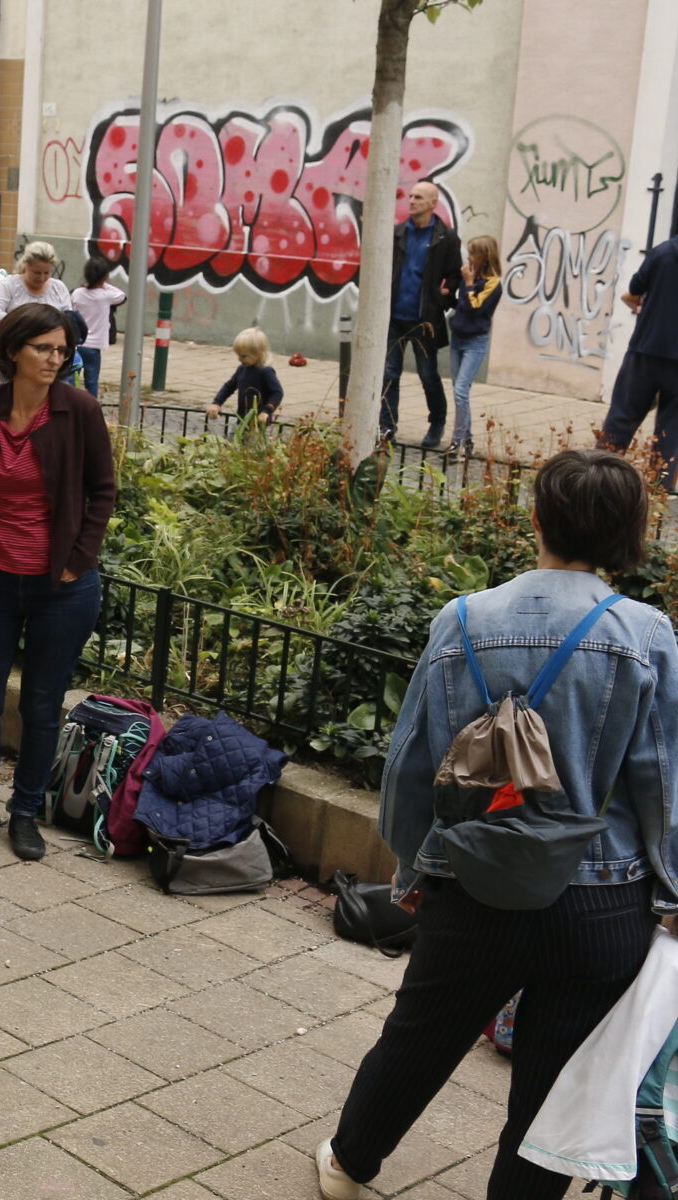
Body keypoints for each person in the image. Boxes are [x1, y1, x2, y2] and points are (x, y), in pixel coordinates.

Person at [319, 447, 677, 1200]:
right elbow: (663, 784)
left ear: (538, 518)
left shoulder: (465, 620)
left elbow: (413, 765)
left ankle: (349, 1165)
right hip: (604, 902)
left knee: (418, 1041)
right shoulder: (647, 635)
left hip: (475, 884)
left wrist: (415, 868)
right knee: (552, 1086)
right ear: (630, 535)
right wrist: (671, 897)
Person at [0, 304, 114, 861]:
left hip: (61, 588)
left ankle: (26, 812)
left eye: (63, 350)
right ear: (13, 351)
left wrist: (79, 560)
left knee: (41, 703)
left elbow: (102, 491)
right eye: (44, 349)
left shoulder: (78, 410)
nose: (57, 359)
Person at [380, 180, 463, 449]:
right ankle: (386, 427)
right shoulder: (397, 233)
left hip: (425, 320)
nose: (411, 200)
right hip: (394, 317)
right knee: (389, 374)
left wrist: (443, 298)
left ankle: (437, 421)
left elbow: (454, 275)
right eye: (410, 196)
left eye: (418, 197)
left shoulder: (445, 238)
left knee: (428, 375)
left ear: (432, 203)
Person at [600, 233, 678, 489]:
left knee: (621, 418)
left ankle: (601, 480)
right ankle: (657, 493)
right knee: (671, 433)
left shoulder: (664, 252)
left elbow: (633, 291)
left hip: (646, 350)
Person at [444, 234, 503, 457]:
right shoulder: (468, 276)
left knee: (461, 391)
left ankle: (456, 441)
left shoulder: (493, 283)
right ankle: (467, 440)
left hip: (475, 342)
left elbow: (474, 309)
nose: (469, 257)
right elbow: (460, 305)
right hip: (458, 337)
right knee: (459, 391)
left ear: (485, 256)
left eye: (473, 253)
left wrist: (468, 284)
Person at [69, 257, 126, 397]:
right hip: (93, 347)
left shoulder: (77, 293)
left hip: (76, 344)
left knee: (71, 379)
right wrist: (104, 284)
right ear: (105, 276)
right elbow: (122, 296)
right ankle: (91, 408)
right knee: (92, 381)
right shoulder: (105, 296)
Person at [0, 240, 72, 327]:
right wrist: (25, 325)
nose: (42, 278)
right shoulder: (9, 284)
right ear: (26, 265)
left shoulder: (59, 287)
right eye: (37, 272)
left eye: (46, 273)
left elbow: (68, 319)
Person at [207, 328, 283, 430]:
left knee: (250, 444)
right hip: (242, 419)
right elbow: (229, 386)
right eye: (238, 355)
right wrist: (217, 403)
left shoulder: (265, 371)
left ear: (259, 354)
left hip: (258, 424)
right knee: (233, 440)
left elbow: (277, 392)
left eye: (243, 356)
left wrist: (267, 411)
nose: (239, 359)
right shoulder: (242, 369)